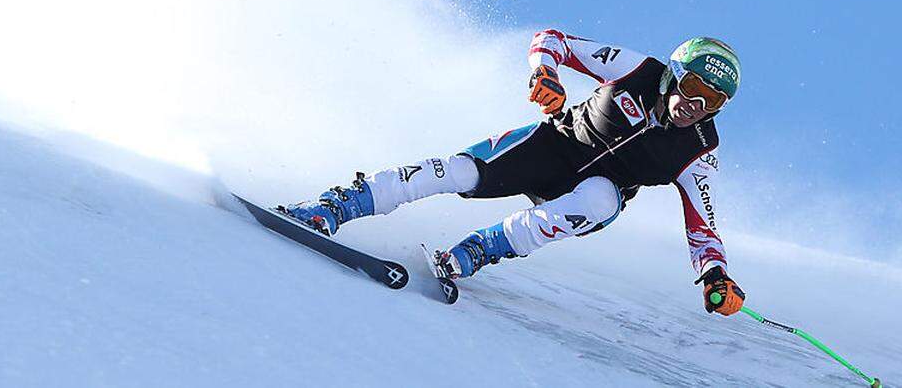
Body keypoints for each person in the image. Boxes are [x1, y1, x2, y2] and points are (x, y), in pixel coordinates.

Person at [285, 30, 747, 316]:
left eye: (714, 101)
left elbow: (702, 228)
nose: (696, 105)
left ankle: (473, 253)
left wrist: (715, 277)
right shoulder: (637, 70)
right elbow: (553, 40)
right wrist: (544, 75)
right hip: (552, 147)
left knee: (603, 200)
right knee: (460, 173)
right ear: (674, 74)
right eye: (692, 87)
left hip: (587, 192)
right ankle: (335, 207)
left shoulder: (699, 150)